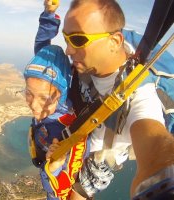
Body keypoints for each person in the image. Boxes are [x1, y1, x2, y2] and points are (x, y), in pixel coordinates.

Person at [34, 0, 174, 199]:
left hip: (101, 155)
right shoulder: (85, 65)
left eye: (78, 40)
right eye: (66, 39)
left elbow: (155, 145)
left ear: (114, 42)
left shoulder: (140, 97)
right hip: (83, 135)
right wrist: (49, 14)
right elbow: (44, 60)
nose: (68, 50)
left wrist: (162, 182)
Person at [24, 44, 90, 199]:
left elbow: (63, 193)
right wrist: (49, 21)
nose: (34, 105)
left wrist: (53, 168)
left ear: (62, 95)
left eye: (44, 98)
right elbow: (41, 49)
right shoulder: (50, 108)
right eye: (28, 93)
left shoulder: (73, 132)